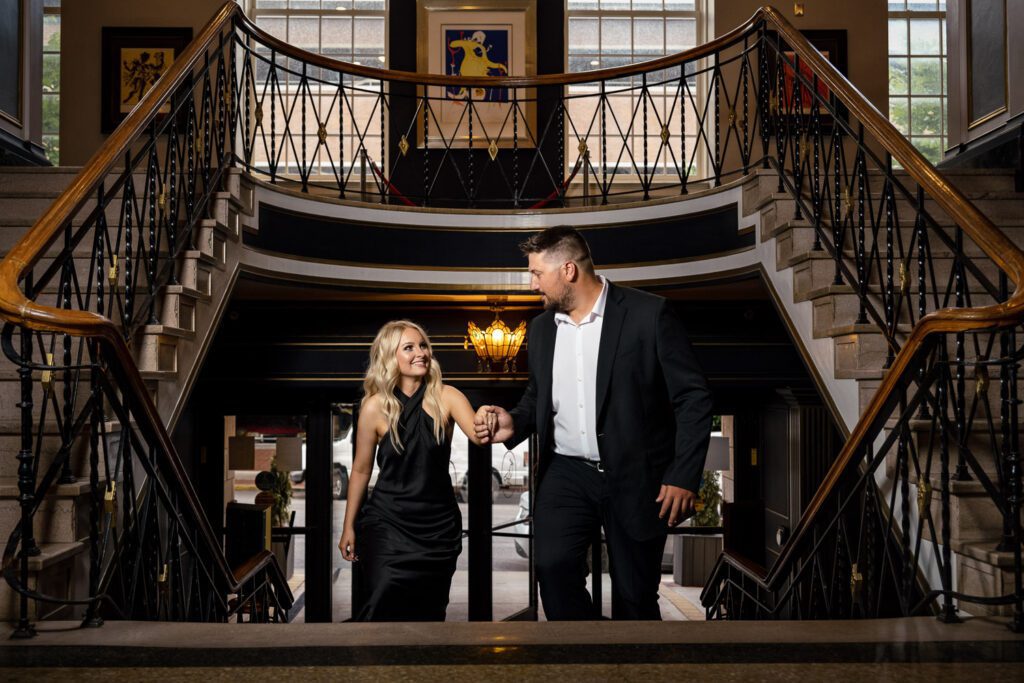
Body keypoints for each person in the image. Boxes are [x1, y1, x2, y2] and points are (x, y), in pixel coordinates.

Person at [475, 226, 712, 621]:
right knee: (551, 568)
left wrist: (684, 475)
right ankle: (587, 658)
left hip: (637, 475)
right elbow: (539, 396)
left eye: (536, 274)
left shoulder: (649, 314)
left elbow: (693, 398)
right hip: (567, 472)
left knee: (634, 597)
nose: (533, 285)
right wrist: (512, 423)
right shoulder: (541, 329)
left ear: (568, 270)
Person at [339, 320, 494, 621]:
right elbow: (360, 471)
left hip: (437, 529)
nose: (420, 352)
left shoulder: (447, 396)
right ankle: (373, 667)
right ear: (390, 356)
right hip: (388, 524)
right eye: (409, 347)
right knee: (383, 596)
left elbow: (479, 434)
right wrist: (349, 526)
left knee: (429, 612)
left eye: (423, 345)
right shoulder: (374, 407)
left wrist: (487, 413)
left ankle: (421, 669)